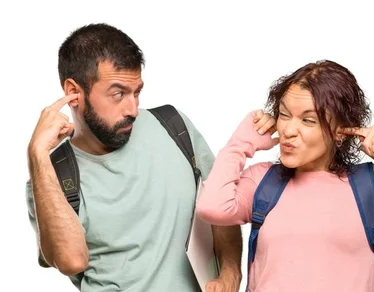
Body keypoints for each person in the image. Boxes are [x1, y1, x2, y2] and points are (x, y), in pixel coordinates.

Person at [195, 59, 374, 291]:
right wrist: (241, 142)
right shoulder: (263, 181)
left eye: (308, 120)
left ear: (339, 132)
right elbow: (212, 208)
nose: (288, 130)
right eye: (284, 115)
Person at [25, 23, 242, 292]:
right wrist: (37, 154)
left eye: (136, 92)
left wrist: (231, 273)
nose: (133, 109)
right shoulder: (51, 175)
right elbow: (70, 260)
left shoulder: (174, 126)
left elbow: (222, 208)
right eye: (118, 94)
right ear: (74, 93)